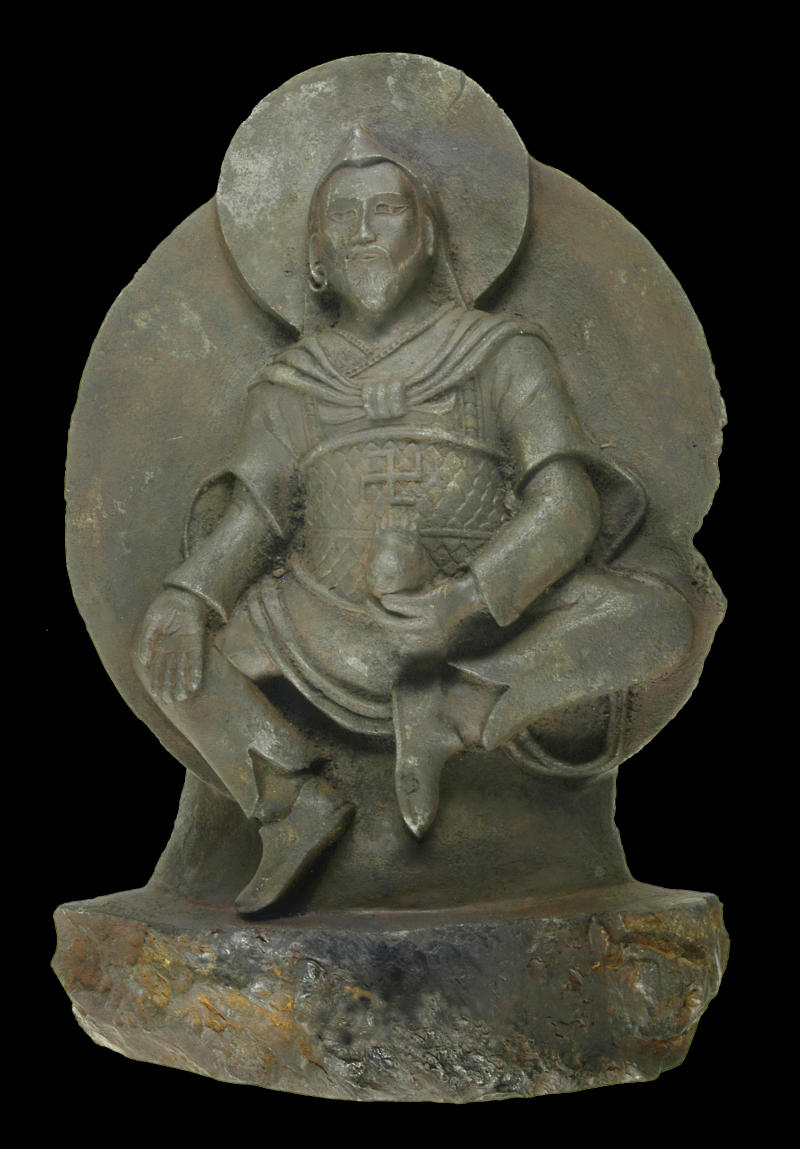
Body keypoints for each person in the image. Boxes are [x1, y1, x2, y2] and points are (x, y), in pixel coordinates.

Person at [133, 144, 693, 913]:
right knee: (166, 649)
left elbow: (568, 506)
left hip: (487, 624)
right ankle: (290, 803)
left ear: (429, 238)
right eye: (343, 215)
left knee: (658, 618)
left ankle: (457, 711)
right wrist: (188, 596)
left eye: (387, 209)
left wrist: (462, 603)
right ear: (316, 257)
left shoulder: (501, 352)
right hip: (320, 621)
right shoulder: (291, 382)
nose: (364, 231)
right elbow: (256, 517)